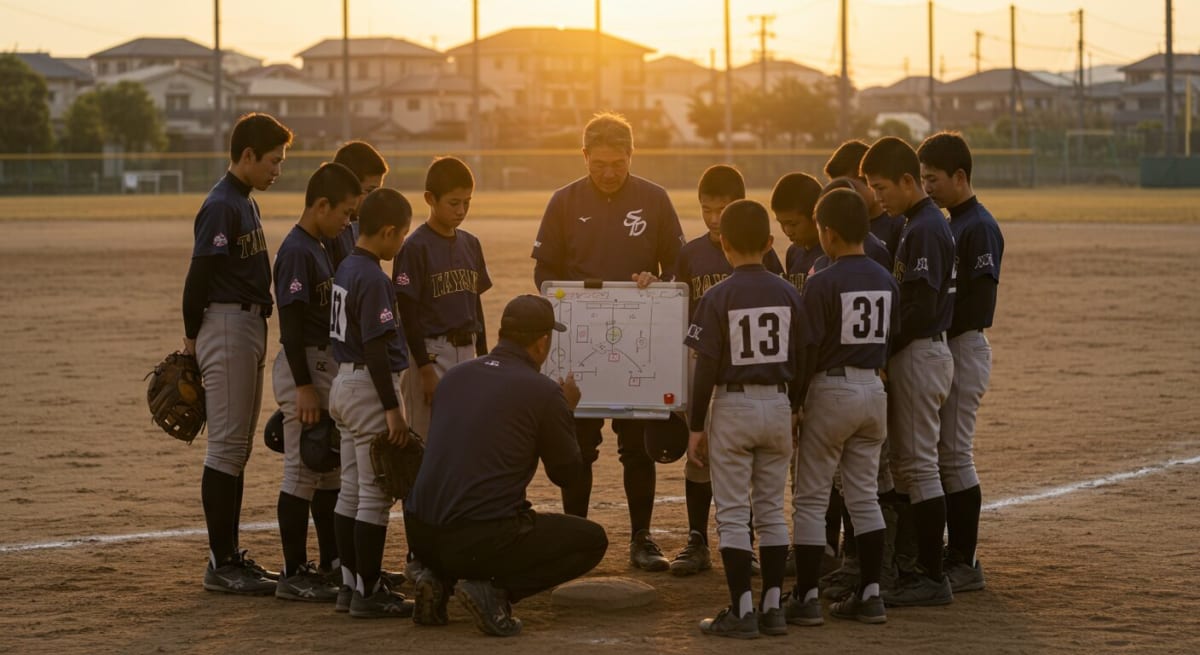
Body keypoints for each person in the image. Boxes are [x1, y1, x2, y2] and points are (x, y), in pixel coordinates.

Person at [531, 112, 685, 571]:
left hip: (637, 342)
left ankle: (642, 538)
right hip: (580, 345)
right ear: (584, 157)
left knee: (637, 446)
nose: (609, 172)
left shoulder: (654, 199)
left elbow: (678, 267)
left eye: (618, 162)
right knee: (578, 446)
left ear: (631, 156)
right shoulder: (563, 201)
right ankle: (574, 539)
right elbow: (544, 273)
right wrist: (569, 294)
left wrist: (654, 280)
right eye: (599, 163)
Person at [404, 295, 609, 637]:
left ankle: (436, 578)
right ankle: (497, 592)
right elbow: (567, 476)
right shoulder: (542, 391)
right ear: (542, 342)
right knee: (591, 541)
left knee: (473, 512)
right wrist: (566, 412)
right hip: (475, 540)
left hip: (420, 535)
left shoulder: (454, 376)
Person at [182, 112, 292, 595]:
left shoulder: (244, 201)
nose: (277, 169)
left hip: (246, 323)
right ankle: (221, 563)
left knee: (238, 448)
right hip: (225, 322)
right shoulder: (222, 204)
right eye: (272, 160)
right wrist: (190, 342)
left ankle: (230, 557)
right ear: (246, 155)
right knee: (226, 447)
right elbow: (198, 276)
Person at [686, 200, 805, 639]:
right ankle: (773, 607)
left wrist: (696, 426)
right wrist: (795, 406)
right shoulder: (789, 292)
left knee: (734, 513)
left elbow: (705, 369)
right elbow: (805, 355)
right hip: (778, 402)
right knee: (773, 509)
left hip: (733, 405)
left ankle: (742, 610)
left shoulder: (718, 295)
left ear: (724, 244)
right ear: (770, 243)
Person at [786, 188, 899, 626]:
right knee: (864, 496)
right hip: (874, 390)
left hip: (832, 390)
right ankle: (870, 593)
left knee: (812, 498)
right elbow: (890, 338)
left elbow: (808, 350)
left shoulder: (823, 280)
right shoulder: (886, 278)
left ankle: (806, 597)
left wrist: (795, 403)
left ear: (827, 234)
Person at [668, 164, 783, 577]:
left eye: (723, 209)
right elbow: (674, 305)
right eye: (706, 209)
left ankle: (744, 544)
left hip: (745, 367)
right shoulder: (690, 253)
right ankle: (697, 539)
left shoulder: (763, 253)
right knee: (698, 458)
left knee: (743, 460)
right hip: (702, 363)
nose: (714, 219)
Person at [861, 136, 956, 607]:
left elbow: (919, 308)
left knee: (919, 466)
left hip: (920, 351)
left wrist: (880, 348)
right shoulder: (912, 223)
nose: (878, 198)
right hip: (913, 352)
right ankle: (911, 567)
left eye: (882, 188)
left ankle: (932, 576)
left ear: (906, 180)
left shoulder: (924, 227)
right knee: (906, 465)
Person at [917, 131, 1004, 594]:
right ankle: (951, 552)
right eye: (922, 178)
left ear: (960, 176)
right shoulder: (949, 223)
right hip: (945, 345)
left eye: (933, 179)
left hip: (963, 345)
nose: (927, 187)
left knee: (952, 453)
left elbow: (980, 302)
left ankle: (964, 559)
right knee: (935, 454)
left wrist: (935, 328)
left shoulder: (978, 226)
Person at [271, 162, 362, 602]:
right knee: (302, 470)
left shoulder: (322, 246)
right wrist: (302, 386)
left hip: (322, 364)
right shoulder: (297, 250)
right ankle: (293, 572)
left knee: (327, 474)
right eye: (344, 212)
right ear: (321, 205)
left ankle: (329, 562)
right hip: (303, 364)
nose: (348, 222)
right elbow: (289, 325)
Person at [328, 188, 416, 618]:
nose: (401, 244)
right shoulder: (374, 277)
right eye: (400, 237)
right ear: (386, 232)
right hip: (368, 386)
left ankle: (350, 585)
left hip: (343, 384)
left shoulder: (346, 264)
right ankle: (368, 591)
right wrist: (392, 408)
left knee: (350, 490)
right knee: (374, 496)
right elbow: (378, 350)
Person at [392, 156, 492, 439]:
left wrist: (483, 357)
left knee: (465, 437)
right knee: (425, 438)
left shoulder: (471, 244)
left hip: (467, 351)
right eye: (453, 202)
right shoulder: (414, 248)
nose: (461, 210)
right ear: (430, 199)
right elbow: (407, 313)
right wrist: (423, 369)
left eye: (467, 202)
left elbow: (476, 304)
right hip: (431, 352)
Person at [825, 139, 905, 259]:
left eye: (847, 188)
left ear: (868, 181)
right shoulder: (840, 226)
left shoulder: (899, 224)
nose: (841, 196)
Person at [325, 141, 389, 271]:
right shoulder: (330, 231)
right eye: (370, 191)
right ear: (348, 185)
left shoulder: (360, 224)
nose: (375, 199)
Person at [769, 172, 825, 293]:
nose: (787, 231)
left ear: (815, 216)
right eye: (781, 223)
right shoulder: (793, 252)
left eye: (793, 224)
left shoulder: (830, 253)